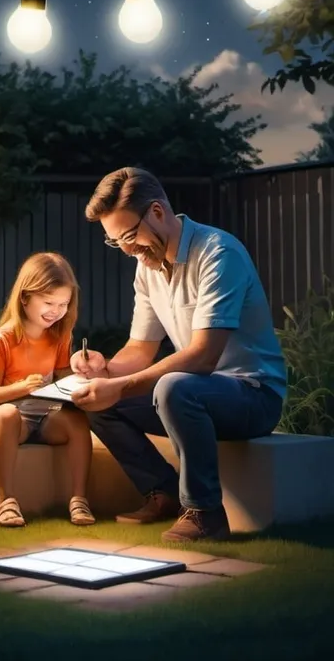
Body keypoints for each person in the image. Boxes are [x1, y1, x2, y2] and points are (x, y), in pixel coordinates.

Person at [70, 167, 286, 542]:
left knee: (173, 388)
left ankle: (205, 513)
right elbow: (140, 349)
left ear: (157, 212)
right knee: (97, 402)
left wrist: (120, 385)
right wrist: (103, 371)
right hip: (200, 392)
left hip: (252, 394)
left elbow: (203, 356)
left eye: (129, 235)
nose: (127, 249)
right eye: (115, 241)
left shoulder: (218, 254)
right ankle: (163, 491)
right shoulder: (146, 267)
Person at [0, 252, 95, 528]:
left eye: (64, 303)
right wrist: (21, 387)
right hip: (7, 420)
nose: (56, 310)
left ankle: (79, 498)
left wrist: (80, 376)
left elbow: (64, 376)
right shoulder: (2, 340)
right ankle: (5, 500)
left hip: (45, 416)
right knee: (7, 414)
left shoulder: (59, 335)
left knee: (77, 420)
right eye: (49, 302)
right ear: (25, 297)